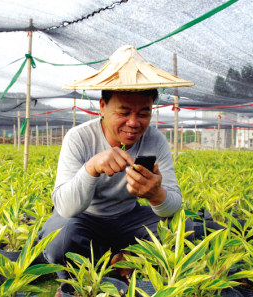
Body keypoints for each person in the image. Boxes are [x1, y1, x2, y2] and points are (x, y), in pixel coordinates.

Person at [38, 45, 195, 294]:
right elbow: (65, 207)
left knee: (183, 229)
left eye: (144, 113)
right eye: (124, 112)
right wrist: (91, 168)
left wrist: (156, 195)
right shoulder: (79, 138)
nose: (134, 123)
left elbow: (174, 203)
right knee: (60, 236)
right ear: (102, 106)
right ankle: (73, 284)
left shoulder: (155, 140)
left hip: (128, 218)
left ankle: (125, 257)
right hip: (85, 219)